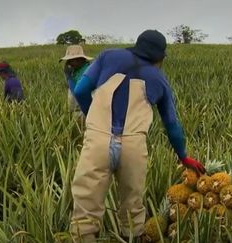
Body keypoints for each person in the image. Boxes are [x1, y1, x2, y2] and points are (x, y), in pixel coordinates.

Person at [69, 30, 206, 242]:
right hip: (133, 146)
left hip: (98, 140)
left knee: (86, 208)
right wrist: (183, 156)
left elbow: (80, 91)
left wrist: (93, 119)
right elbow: (172, 123)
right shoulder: (159, 79)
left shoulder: (108, 56)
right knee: (132, 207)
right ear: (159, 56)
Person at [59, 45, 92, 117]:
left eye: (71, 60)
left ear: (80, 59)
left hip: (84, 111)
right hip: (77, 110)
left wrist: (69, 77)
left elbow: (77, 93)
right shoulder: (75, 70)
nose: (69, 63)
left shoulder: (86, 71)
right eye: (69, 61)